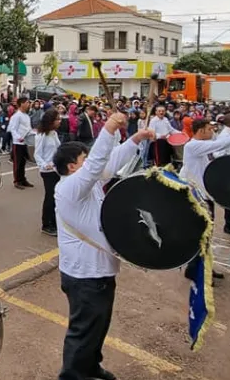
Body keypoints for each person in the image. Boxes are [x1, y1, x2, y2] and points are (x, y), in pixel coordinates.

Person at [52, 113, 154, 380]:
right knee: (83, 330)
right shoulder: (70, 188)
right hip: (84, 276)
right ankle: (73, 375)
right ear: (72, 167)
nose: (90, 165)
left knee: (97, 327)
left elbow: (109, 162)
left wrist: (135, 138)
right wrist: (108, 128)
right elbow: (97, 164)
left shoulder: (89, 184)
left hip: (98, 273)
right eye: (83, 160)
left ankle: (90, 365)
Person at [179, 118, 230, 282]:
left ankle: (201, 268)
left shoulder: (201, 147)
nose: (212, 132)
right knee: (202, 235)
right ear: (201, 131)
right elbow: (219, 145)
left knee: (206, 236)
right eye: (209, 129)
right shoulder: (193, 146)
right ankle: (198, 270)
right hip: (197, 198)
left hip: (205, 196)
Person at [34, 108, 61, 236]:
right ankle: (46, 224)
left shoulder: (54, 133)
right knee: (50, 197)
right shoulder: (41, 135)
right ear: (51, 121)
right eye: (57, 119)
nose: (60, 121)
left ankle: (55, 222)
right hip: (47, 172)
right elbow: (37, 154)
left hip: (57, 170)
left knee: (57, 197)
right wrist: (45, 165)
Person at [8, 97, 34, 189]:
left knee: (23, 162)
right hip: (18, 143)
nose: (29, 104)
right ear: (21, 104)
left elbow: (29, 129)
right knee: (17, 163)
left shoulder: (26, 116)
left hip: (25, 143)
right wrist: (19, 138)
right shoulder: (16, 116)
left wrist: (35, 133)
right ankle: (17, 181)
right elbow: (13, 129)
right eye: (27, 102)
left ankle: (23, 179)